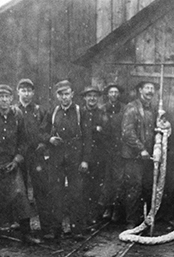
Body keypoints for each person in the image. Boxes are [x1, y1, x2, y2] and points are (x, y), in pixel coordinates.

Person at [0, 84, 41, 250]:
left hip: (11, 162)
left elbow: (23, 141)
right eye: (0, 96)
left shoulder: (17, 116)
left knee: (20, 195)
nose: (4, 100)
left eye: (7, 96)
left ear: (11, 99)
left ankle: (26, 234)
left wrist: (17, 160)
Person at [42, 80, 91, 238]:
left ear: (72, 94)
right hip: (56, 156)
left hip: (75, 156)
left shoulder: (80, 111)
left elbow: (88, 138)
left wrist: (85, 160)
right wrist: (49, 139)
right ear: (57, 96)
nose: (64, 97)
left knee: (76, 193)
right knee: (56, 192)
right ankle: (56, 230)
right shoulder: (53, 112)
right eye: (61, 94)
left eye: (67, 94)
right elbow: (41, 132)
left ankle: (77, 230)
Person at [15, 79, 51, 240]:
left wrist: (43, 144)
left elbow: (47, 130)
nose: (26, 94)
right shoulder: (13, 111)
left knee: (41, 191)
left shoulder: (40, 111)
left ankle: (47, 228)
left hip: (36, 155)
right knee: (21, 192)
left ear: (33, 93)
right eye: (23, 90)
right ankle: (25, 231)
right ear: (18, 92)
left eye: (29, 90)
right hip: (20, 156)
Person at [121, 80, 157, 229]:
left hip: (147, 157)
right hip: (134, 156)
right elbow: (127, 133)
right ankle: (131, 222)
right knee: (133, 188)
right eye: (147, 88)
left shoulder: (153, 109)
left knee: (147, 187)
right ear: (140, 90)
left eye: (152, 88)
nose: (150, 91)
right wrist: (141, 149)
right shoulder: (132, 108)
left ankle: (146, 220)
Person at [80, 86, 108, 224]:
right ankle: (82, 215)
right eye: (89, 96)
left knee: (96, 186)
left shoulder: (102, 113)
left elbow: (107, 131)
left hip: (98, 155)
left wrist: (100, 130)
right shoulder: (80, 112)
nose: (92, 98)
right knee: (83, 186)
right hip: (82, 155)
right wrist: (94, 129)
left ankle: (93, 215)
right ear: (85, 98)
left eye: (95, 96)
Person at [101, 83, 125, 222]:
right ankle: (107, 208)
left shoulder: (124, 109)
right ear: (108, 94)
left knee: (119, 179)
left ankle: (117, 209)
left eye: (116, 92)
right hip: (105, 149)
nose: (114, 95)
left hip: (120, 148)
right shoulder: (102, 109)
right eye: (111, 92)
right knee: (106, 179)